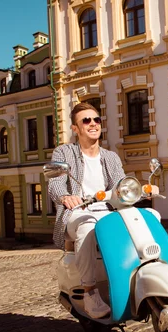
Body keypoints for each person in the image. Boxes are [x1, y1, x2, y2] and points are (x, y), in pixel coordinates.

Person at [48, 102, 125, 318]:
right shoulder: (64, 152)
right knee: (88, 225)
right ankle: (90, 291)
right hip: (77, 212)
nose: (93, 124)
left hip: (108, 211)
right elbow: (55, 183)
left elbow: (120, 185)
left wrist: (137, 189)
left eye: (96, 119)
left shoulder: (110, 157)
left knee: (148, 217)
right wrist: (65, 197)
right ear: (75, 128)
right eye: (86, 120)